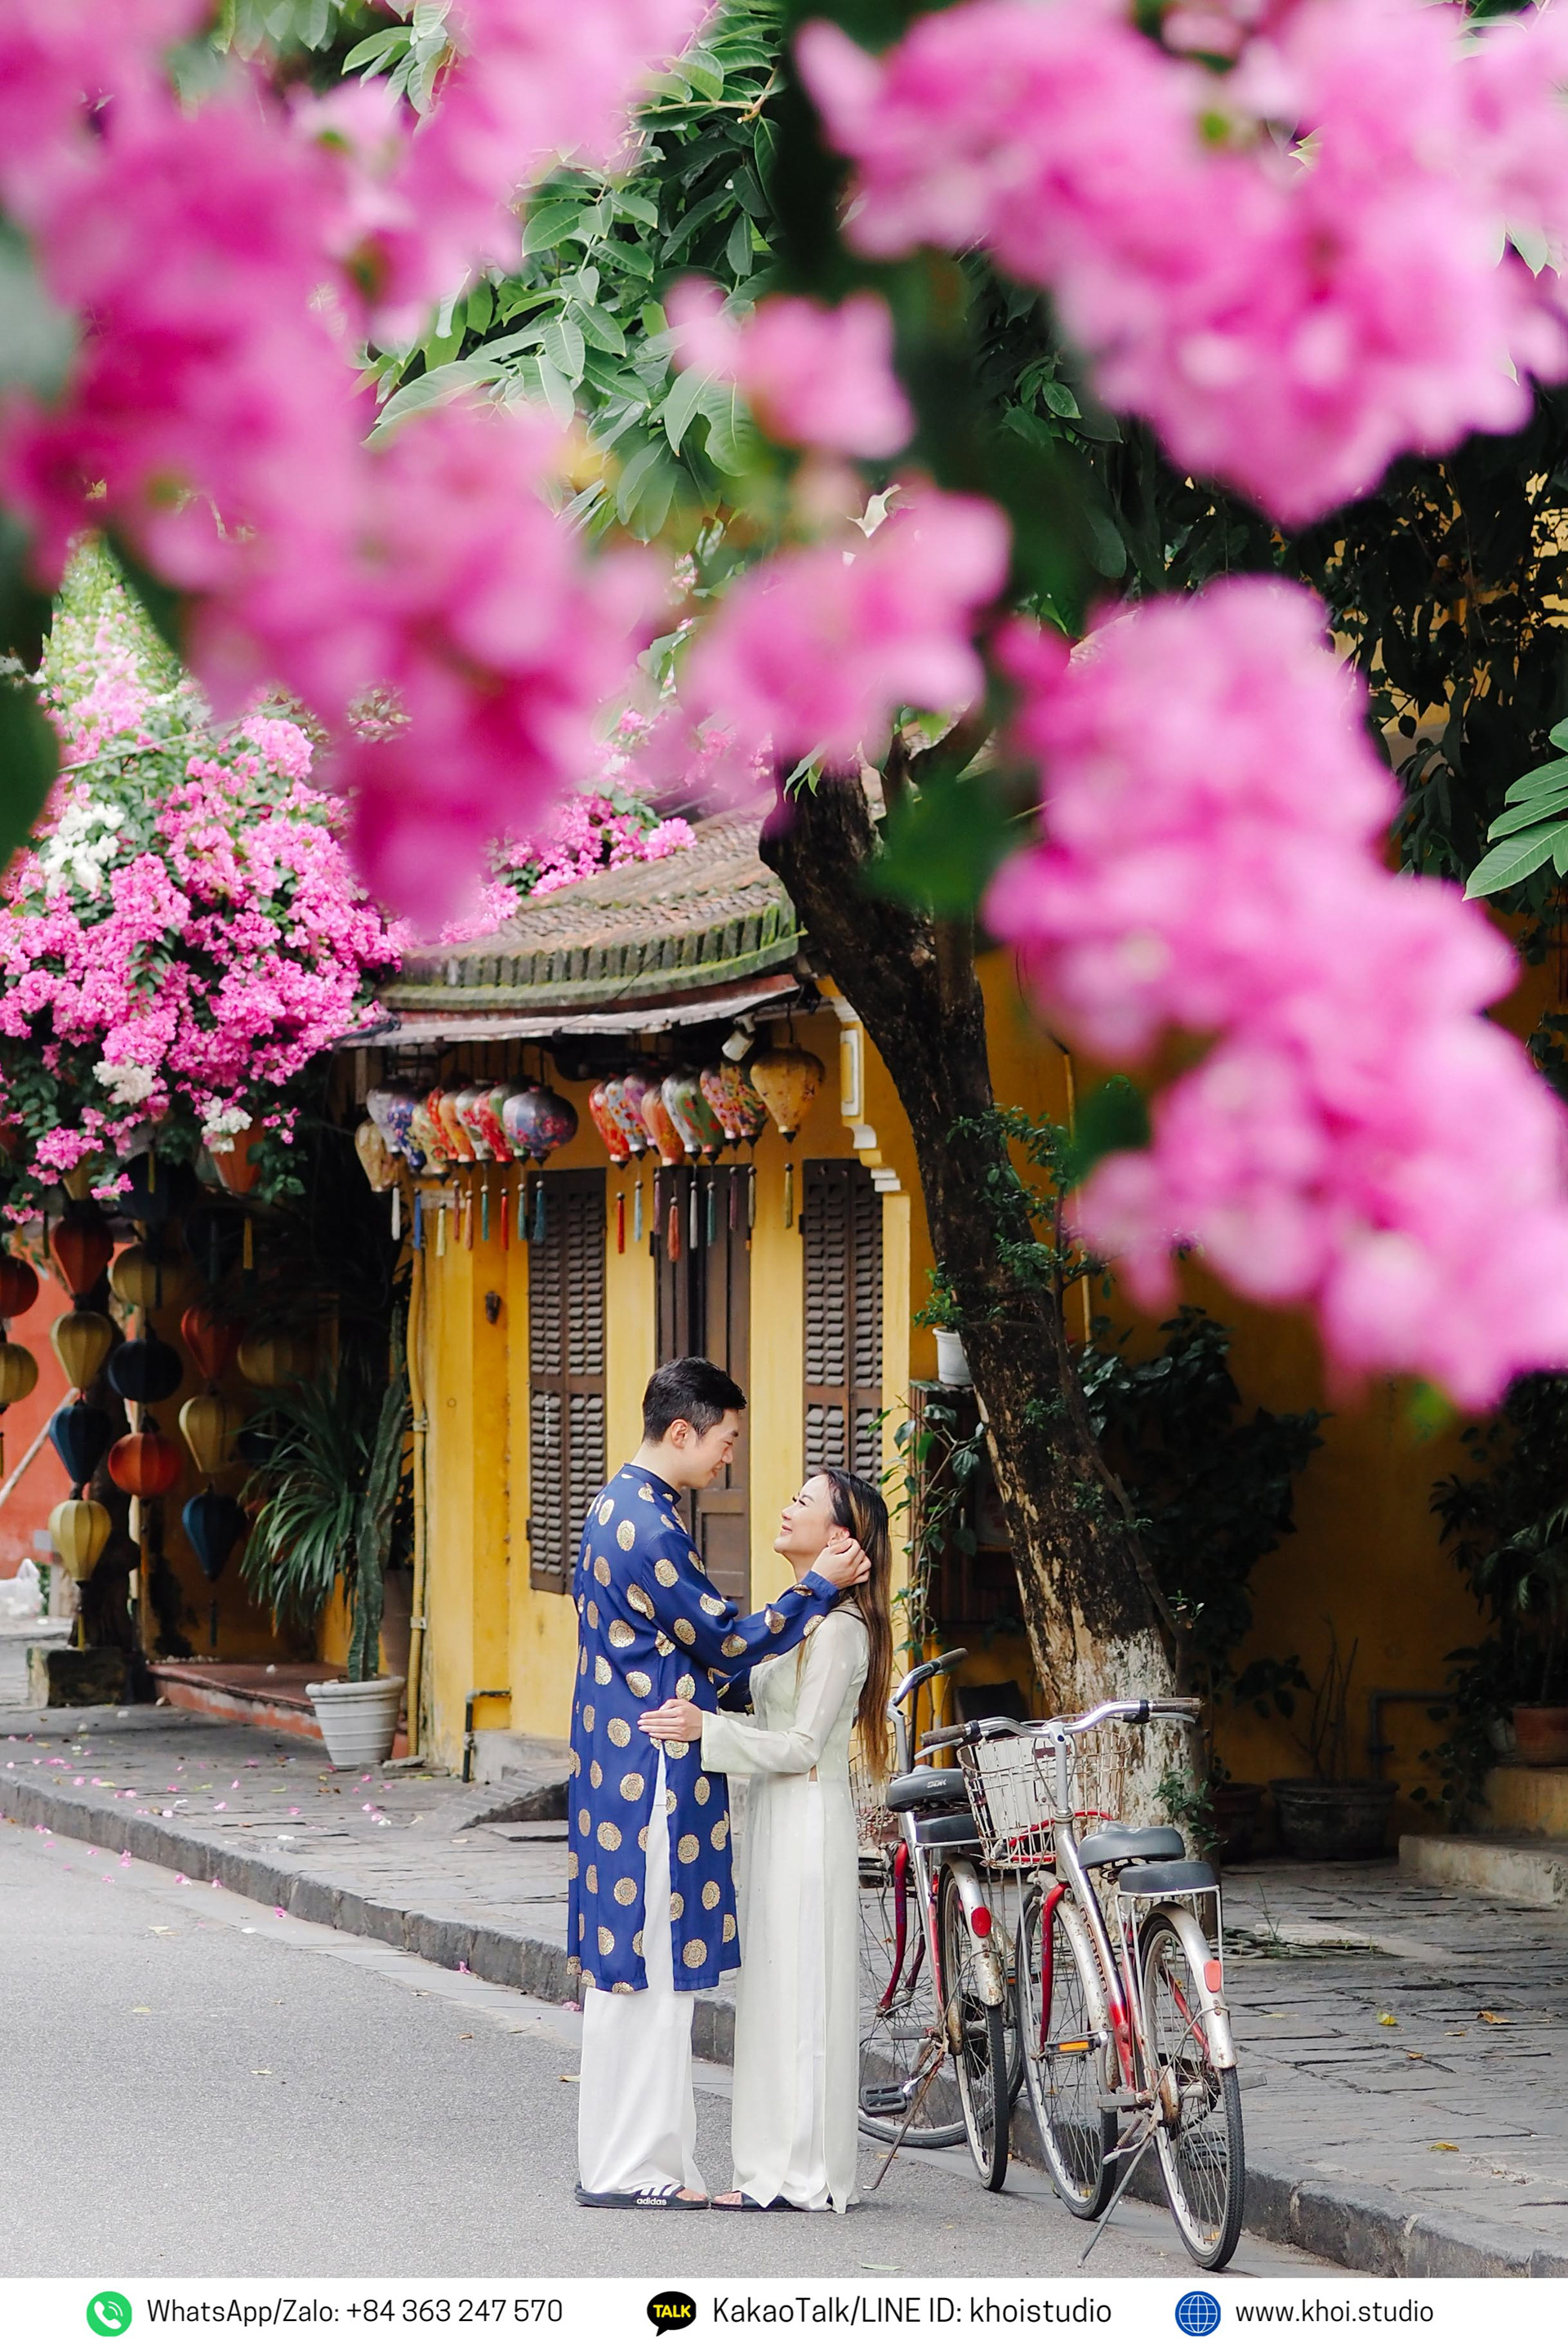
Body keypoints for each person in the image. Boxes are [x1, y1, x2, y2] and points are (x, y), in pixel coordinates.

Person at [570, 1357, 870, 2212]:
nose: (729, 1462)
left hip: (618, 1768)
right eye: (725, 1441)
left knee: (630, 1969)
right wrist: (820, 1587)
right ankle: (635, 2169)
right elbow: (727, 1647)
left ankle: (626, 2162)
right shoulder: (651, 1527)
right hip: (651, 1778)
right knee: (649, 1975)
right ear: (681, 1432)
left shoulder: (616, 1507)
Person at [638, 1465, 893, 2215]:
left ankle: (803, 2176)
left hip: (811, 1819)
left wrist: (704, 1730)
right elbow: (744, 1686)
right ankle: (768, 2170)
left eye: (803, 1503)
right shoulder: (802, 1623)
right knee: (776, 1993)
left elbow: (803, 1747)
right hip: (779, 1820)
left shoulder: (843, 1632)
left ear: (838, 1537)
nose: (785, 1509)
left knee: (804, 1995)